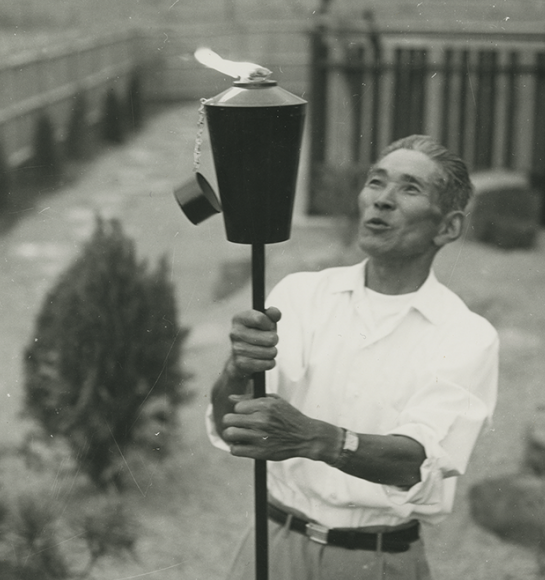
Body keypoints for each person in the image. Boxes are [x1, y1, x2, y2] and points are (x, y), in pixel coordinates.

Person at [206, 134, 499, 580]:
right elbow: (234, 426)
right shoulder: (301, 296)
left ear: (448, 227)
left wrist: (317, 438)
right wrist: (237, 369)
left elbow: (417, 462)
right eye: (376, 182)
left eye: (409, 189)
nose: (382, 200)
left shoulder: (466, 336)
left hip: (376, 561)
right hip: (273, 547)